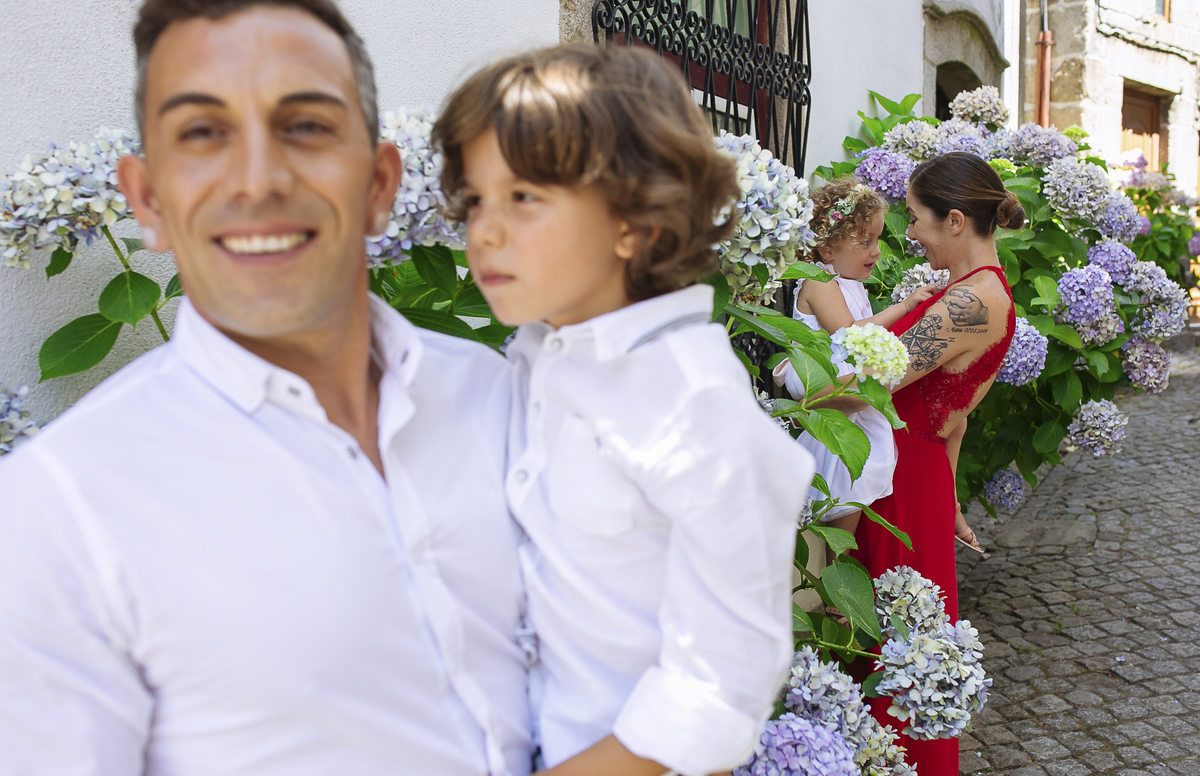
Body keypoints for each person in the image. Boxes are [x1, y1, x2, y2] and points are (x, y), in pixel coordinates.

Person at [0, 2, 531, 774]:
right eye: (202, 133)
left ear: (381, 184)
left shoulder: (505, 399)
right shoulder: (60, 509)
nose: (259, 180)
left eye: (306, 126)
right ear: (146, 200)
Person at [433, 46, 815, 776]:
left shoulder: (692, 402)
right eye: (475, 199)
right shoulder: (539, 355)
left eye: (523, 197)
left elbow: (720, 688)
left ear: (635, 222)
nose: (482, 230)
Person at [841, 151, 1021, 776]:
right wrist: (950, 500)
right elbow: (957, 415)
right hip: (915, 478)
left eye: (916, 217)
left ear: (955, 220)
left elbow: (868, 384)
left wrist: (790, 378)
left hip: (901, 481)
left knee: (890, 652)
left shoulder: (971, 304)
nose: (911, 232)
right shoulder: (974, 292)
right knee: (889, 646)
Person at [772, 178, 936, 559]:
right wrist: (903, 307)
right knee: (843, 470)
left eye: (877, 239)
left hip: (846, 390)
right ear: (827, 248)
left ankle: (841, 554)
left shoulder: (849, 283)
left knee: (859, 467)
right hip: (823, 377)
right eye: (865, 241)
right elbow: (848, 333)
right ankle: (836, 558)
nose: (876, 251)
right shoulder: (819, 282)